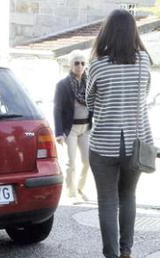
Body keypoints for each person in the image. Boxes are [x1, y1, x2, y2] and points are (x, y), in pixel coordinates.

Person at [85, 9, 153, 258]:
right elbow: (144, 96)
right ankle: (126, 252)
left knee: (107, 202)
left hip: (104, 141)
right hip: (136, 141)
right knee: (128, 197)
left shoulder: (98, 64)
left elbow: (90, 101)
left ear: (107, 32)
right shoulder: (144, 61)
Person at [54, 50, 92, 201]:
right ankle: (71, 193)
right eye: (76, 63)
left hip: (86, 128)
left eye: (83, 63)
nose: (80, 66)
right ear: (70, 65)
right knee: (71, 162)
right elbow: (57, 108)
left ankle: (80, 188)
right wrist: (59, 132)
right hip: (71, 129)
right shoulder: (63, 85)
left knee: (87, 161)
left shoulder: (90, 82)